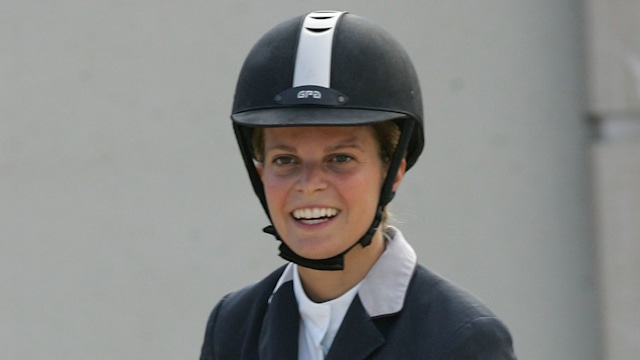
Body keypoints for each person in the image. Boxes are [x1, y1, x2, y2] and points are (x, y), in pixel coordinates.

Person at [200, 10, 516, 359]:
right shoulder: (233, 326)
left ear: (393, 170)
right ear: (261, 174)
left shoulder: (461, 339)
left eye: (340, 159)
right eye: (285, 160)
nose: (309, 185)